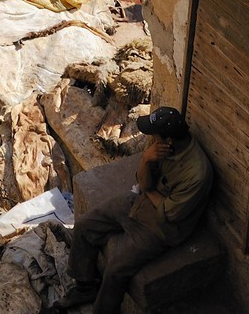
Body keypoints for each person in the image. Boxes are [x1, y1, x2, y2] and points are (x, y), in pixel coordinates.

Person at [58, 106, 213, 314]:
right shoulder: (163, 148)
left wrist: (147, 191)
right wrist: (146, 159)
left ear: (168, 141)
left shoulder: (197, 173)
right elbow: (142, 181)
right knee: (85, 225)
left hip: (160, 229)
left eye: (155, 136)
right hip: (140, 202)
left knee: (115, 271)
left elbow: (169, 213)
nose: (153, 140)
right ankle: (85, 286)